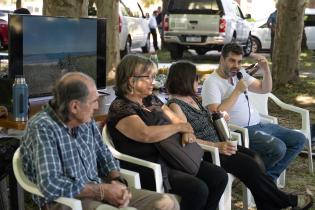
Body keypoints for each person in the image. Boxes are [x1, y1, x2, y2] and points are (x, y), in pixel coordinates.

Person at [165, 60, 313, 210]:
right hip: (208, 152)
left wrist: (219, 118)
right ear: (185, 79)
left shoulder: (192, 99)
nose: (198, 80)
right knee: (249, 166)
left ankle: (268, 205)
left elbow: (201, 121)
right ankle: (288, 201)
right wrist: (217, 146)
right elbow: (188, 138)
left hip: (221, 143)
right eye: (195, 77)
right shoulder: (175, 105)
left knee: (255, 158)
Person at [20, 72, 179, 210]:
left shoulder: (85, 120)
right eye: (94, 101)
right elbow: (51, 184)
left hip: (97, 188)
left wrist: (117, 180)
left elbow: (104, 154)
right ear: (75, 106)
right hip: (66, 201)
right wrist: (102, 191)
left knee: (167, 203)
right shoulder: (42, 128)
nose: (97, 106)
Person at [107, 54, 228, 210]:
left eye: (154, 76)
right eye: (149, 77)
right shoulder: (121, 107)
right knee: (198, 189)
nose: (154, 82)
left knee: (219, 177)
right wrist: (179, 128)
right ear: (132, 81)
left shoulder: (151, 100)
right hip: (149, 165)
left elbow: (180, 122)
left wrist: (186, 131)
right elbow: (145, 134)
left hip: (172, 156)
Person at [201, 42, 307, 181]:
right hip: (240, 131)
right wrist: (237, 91)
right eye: (232, 60)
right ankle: (259, 179)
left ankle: (268, 178)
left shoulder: (240, 74)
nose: (236, 66)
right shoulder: (212, 82)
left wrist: (266, 69)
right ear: (222, 59)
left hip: (260, 125)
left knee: (299, 139)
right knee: (278, 148)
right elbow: (216, 114)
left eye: (239, 62)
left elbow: (265, 89)